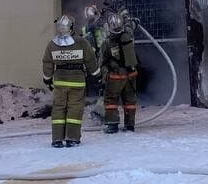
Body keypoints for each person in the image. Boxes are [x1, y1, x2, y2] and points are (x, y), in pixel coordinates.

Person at [42, 15, 97, 148]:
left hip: (60, 83)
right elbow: (90, 59)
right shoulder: (81, 42)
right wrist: (97, 74)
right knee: (75, 109)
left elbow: (47, 63)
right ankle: (72, 138)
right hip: (77, 82)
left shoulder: (52, 44)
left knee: (59, 109)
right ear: (72, 27)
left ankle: (57, 139)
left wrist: (47, 79)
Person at [100, 9, 138, 134]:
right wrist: (127, 16)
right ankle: (130, 125)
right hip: (131, 74)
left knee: (111, 101)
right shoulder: (129, 35)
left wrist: (104, 74)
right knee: (130, 101)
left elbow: (102, 61)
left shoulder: (107, 43)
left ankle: (112, 125)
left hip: (115, 76)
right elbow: (133, 23)